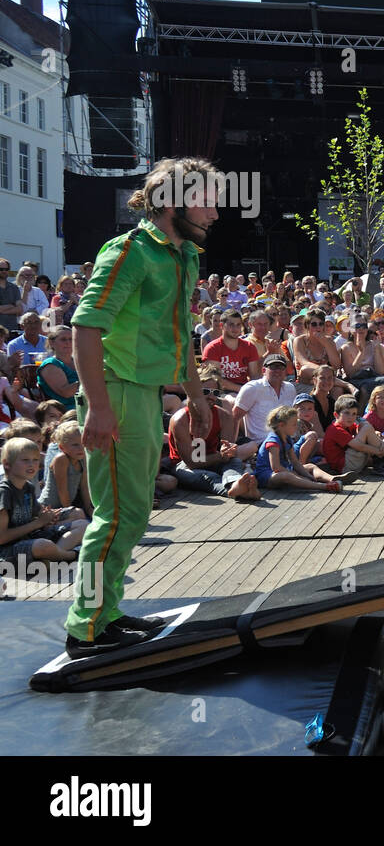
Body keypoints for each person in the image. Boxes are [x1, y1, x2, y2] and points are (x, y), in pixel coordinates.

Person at [64, 157, 219, 658]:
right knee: (113, 517)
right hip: (116, 392)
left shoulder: (182, 256)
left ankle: (105, 613)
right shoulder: (130, 250)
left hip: (145, 392)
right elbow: (85, 327)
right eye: (206, 201)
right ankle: (85, 625)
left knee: (132, 514)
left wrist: (196, 396)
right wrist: (99, 408)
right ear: (173, 204)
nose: (215, 213)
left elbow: (179, 338)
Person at [1, 437, 89, 569]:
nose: (32, 464)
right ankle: (70, 555)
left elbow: (38, 515)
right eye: (25, 460)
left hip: (31, 537)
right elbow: (2, 537)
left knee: (83, 524)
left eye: (35, 460)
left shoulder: (28, 487)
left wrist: (49, 517)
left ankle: (50, 558)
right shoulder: (4, 492)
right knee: (43, 545)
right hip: (7, 551)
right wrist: (38, 523)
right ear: (7, 464)